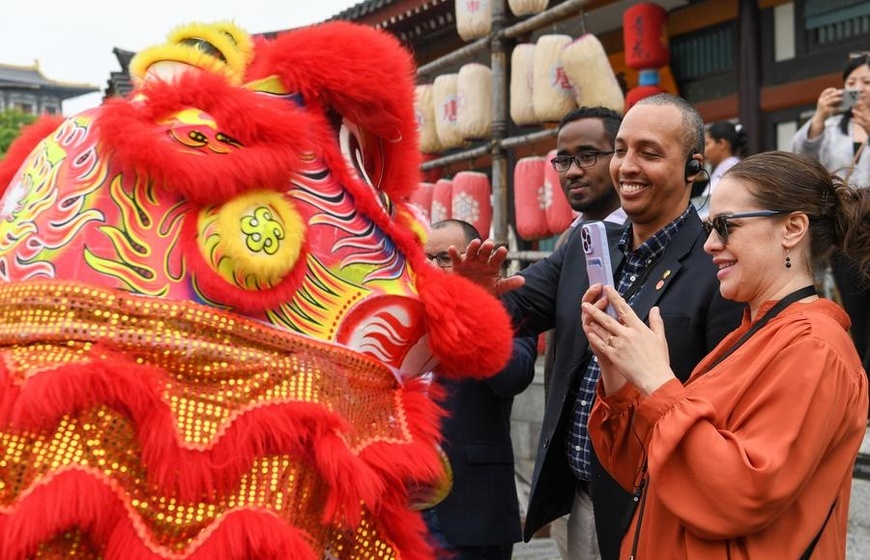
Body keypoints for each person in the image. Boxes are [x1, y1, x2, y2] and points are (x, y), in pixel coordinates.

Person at [450, 93, 744, 560]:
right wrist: (473, 296)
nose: (626, 166)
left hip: (661, 505)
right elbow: (515, 309)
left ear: (694, 167)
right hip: (579, 496)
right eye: (622, 150)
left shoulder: (718, 263)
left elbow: (729, 407)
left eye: (649, 153)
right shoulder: (586, 244)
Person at [582, 151, 869, 559]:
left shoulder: (815, 347)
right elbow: (643, 470)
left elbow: (740, 492)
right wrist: (618, 370)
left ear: (792, 228)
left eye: (725, 226)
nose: (711, 244)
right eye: (709, 228)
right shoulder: (752, 334)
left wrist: (657, 382)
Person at [421, 218, 537, 560]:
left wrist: (470, 310)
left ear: (474, 258)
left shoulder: (507, 307)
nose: (433, 267)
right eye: (425, 258)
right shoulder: (398, 313)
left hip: (471, 509)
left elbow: (513, 376)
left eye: (446, 258)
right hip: (402, 507)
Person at [542, 105, 626, 558]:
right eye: (563, 160)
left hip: (632, 475)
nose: (572, 171)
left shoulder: (647, 238)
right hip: (575, 469)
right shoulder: (570, 241)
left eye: (588, 156)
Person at [791, 52, 870, 384]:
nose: (859, 88)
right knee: (858, 309)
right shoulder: (833, 128)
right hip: (852, 228)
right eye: (851, 83)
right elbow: (802, 160)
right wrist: (820, 117)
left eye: (866, 82)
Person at [693, 120, 747, 218]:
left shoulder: (731, 170)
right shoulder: (728, 168)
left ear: (722, 143)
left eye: (707, 144)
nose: (704, 150)